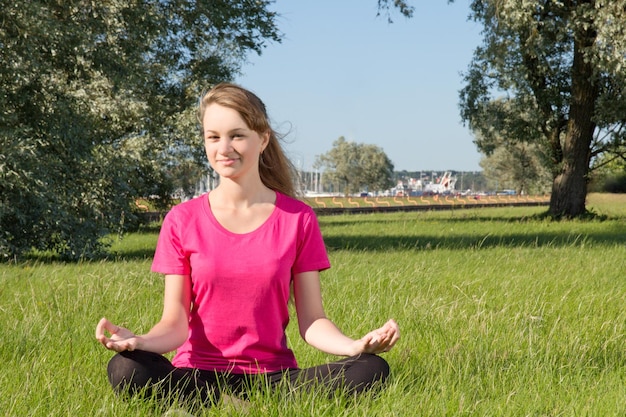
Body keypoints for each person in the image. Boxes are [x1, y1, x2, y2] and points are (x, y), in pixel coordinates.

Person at [95, 83, 400, 409]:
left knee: (372, 369)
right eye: (213, 137)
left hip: (274, 379)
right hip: (197, 377)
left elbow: (312, 322)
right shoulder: (181, 219)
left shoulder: (298, 218)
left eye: (237, 135)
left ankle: (236, 405)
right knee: (125, 368)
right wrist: (139, 342)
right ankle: (223, 403)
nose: (224, 147)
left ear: (263, 139)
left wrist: (354, 346)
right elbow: (175, 323)